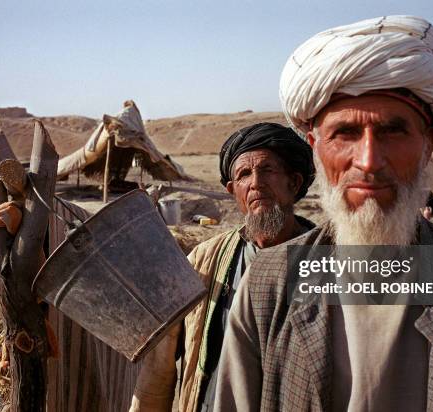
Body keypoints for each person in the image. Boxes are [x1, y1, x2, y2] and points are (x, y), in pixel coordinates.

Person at [214, 16, 433, 411]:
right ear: (316, 146)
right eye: (345, 133)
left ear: (428, 144)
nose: (368, 161)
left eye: (393, 131)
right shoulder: (269, 284)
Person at [129, 122, 315, 411]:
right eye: (244, 175)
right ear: (232, 190)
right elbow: (159, 368)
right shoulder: (203, 261)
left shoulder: (331, 260)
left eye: (267, 170)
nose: (256, 183)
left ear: (294, 182)